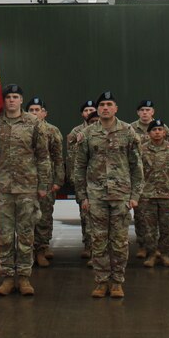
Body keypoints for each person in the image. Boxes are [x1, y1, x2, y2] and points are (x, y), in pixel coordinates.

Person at [72, 91, 142, 299]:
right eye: (101, 104)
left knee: (120, 241)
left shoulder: (128, 132)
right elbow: (79, 167)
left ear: (116, 108)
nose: (105, 108)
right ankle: (102, 282)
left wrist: (135, 194)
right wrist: (83, 196)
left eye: (109, 104)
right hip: (96, 196)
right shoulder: (88, 134)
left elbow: (136, 166)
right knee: (99, 241)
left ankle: (117, 282)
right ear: (97, 109)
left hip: (121, 195)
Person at [0, 84, 51, 297]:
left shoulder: (33, 123)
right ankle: (6, 277)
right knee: (4, 236)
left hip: (26, 188)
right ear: (3, 101)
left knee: (25, 235)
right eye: (8, 97)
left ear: (21, 100)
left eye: (15, 97)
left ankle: (23, 277)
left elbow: (42, 156)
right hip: (3, 188)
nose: (11, 100)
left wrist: (43, 185)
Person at [129, 99, 169, 258]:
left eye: (148, 110)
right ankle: (142, 246)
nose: (145, 112)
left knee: (161, 222)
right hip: (142, 183)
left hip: (160, 181)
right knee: (141, 217)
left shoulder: (164, 129)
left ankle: (159, 251)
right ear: (138, 112)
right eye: (142, 110)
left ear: (152, 112)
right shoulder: (131, 129)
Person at [138, 119, 169, 268]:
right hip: (148, 195)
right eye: (154, 130)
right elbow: (135, 172)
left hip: (167, 195)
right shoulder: (142, 150)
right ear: (148, 133)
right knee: (149, 229)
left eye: (160, 129)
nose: (157, 132)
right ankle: (152, 254)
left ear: (164, 132)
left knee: (167, 227)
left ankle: (165, 255)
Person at [26, 97, 64, 267]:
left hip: (46, 180)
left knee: (44, 216)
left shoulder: (52, 131)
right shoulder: (22, 129)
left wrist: (58, 179)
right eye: (31, 110)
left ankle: (41, 248)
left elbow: (58, 157)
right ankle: (27, 251)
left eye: (38, 109)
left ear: (44, 113)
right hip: (25, 180)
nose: (35, 112)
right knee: (26, 216)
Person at [65, 100, 98, 260]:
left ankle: (98, 251)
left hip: (101, 183)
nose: (89, 112)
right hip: (84, 182)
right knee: (86, 216)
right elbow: (72, 158)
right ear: (82, 114)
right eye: (86, 110)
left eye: (92, 109)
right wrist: (74, 179)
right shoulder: (76, 132)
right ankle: (89, 245)